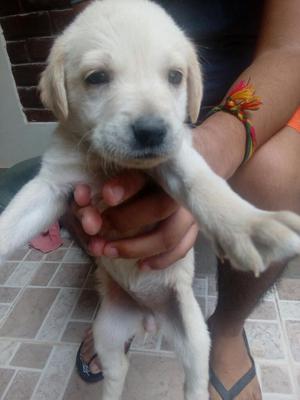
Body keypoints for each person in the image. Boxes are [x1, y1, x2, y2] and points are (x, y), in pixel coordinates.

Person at [67, 1, 300, 399]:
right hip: (131, 80)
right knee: (86, 182)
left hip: (257, 76)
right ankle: (123, 301)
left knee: (275, 176)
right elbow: (88, 34)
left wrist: (204, 155)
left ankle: (226, 328)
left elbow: (289, 50)